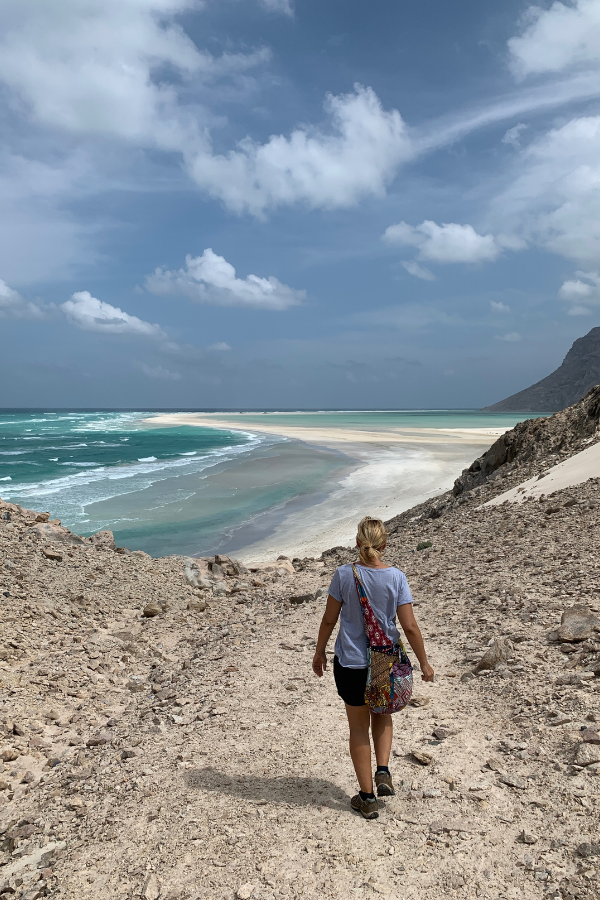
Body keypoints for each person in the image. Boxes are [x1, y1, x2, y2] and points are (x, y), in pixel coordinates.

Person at [312, 515, 434, 819]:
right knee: (382, 713)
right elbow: (410, 626)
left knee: (357, 728)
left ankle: (366, 799)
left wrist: (319, 652)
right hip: (383, 661)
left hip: (351, 663)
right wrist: (425, 663)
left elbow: (329, 619)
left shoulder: (343, 575)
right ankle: (382, 772)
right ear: (385, 543)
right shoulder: (396, 578)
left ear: (357, 543)